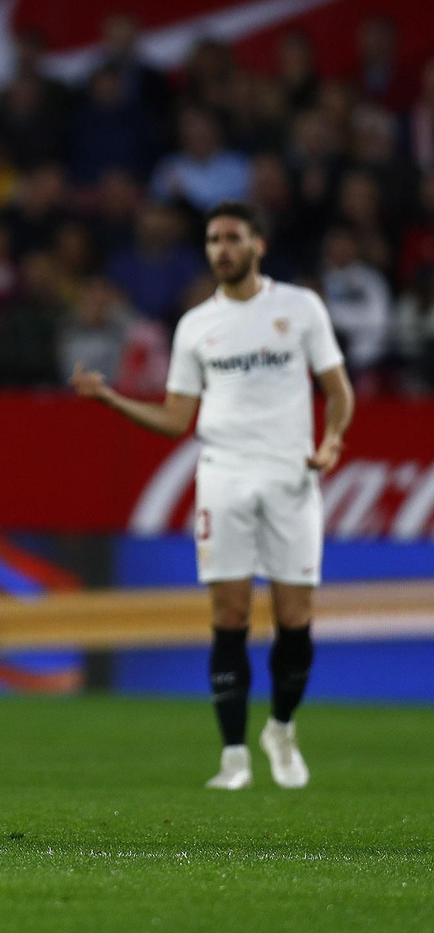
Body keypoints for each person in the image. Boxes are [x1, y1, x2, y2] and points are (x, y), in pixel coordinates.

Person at [72, 201, 354, 790]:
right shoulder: (197, 324)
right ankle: (233, 755)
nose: (221, 249)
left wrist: (331, 440)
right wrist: (112, 400)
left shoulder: (299, 308)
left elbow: (337, 388)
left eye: (232, 238)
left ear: (258, 244)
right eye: (212, 240)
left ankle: (280, 727)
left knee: (294, 619)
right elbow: (177, 418)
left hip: (291, 475)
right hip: (222, 474)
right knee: (228, 616)